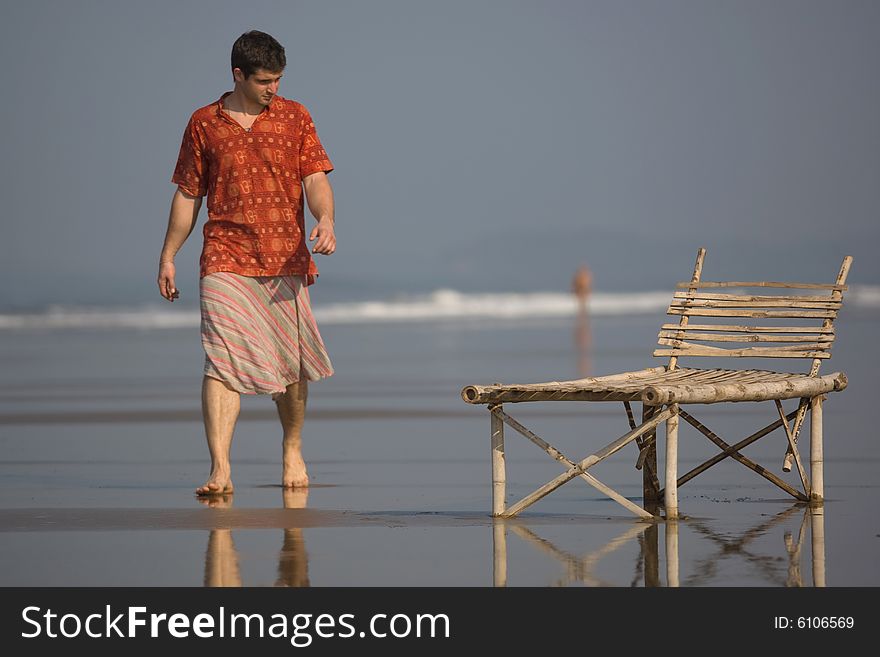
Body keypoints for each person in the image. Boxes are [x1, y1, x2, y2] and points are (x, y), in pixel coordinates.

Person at [157, 30, 336, 496]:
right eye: (263, 80)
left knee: (291, 365)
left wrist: (327, 219)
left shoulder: (296, 117)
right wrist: (169, 255)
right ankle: (220, 469)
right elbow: (188, 194)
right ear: (238, 74)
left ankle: (292, 447)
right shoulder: (203, 123)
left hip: (284, 256)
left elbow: (314, 177)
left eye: (277, 79)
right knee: (220, 362)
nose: (272, 88)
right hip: (225, 256)